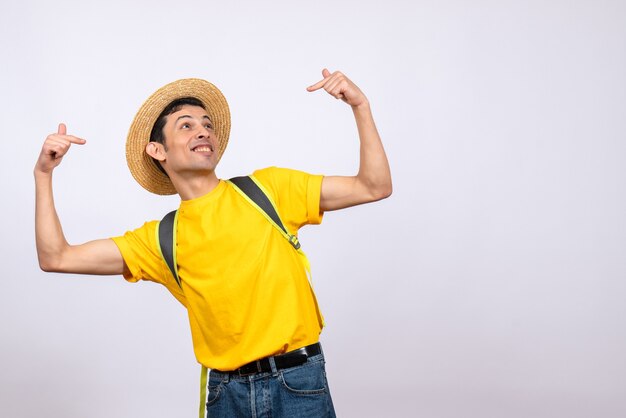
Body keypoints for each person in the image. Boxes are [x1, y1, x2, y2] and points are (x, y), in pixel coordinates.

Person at [34, 68, 392, 418]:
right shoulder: (161, 239)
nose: (203, 131)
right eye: (186, 125)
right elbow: (57, 257)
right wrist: (43, 175)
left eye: (207, 124)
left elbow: (373, 186)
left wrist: (360, 107)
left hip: (298, 383)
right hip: (226, 396)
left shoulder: (269, 191)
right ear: (158, 150)